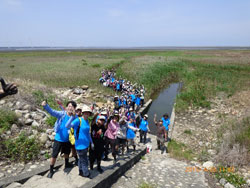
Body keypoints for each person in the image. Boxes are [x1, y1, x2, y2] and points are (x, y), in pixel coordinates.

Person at [42, 100, 77, 178]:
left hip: (68, 139)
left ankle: (67, 164)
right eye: (68, 106)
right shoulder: (62, 114)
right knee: (54, 155)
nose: (70, 108)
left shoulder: (75, 117)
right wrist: (45, 106)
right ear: (67, 107)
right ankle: (51, 170)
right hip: (58, 139)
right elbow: (52, 112)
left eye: (72, 106)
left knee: (67, 153)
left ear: (74, 108)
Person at [66, 105, 94, 178]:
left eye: (88, 113)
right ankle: (86, 173)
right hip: (80, 145)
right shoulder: (78, 120)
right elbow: (67, 126)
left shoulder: (87, 121)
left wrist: (91, 142)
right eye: (86, 113)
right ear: (83, 113)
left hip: (86, 144)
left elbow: (87, 133)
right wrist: (72, 117)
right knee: (84, 160)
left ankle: (81, 171)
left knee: (81, 159)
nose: (87, 114)